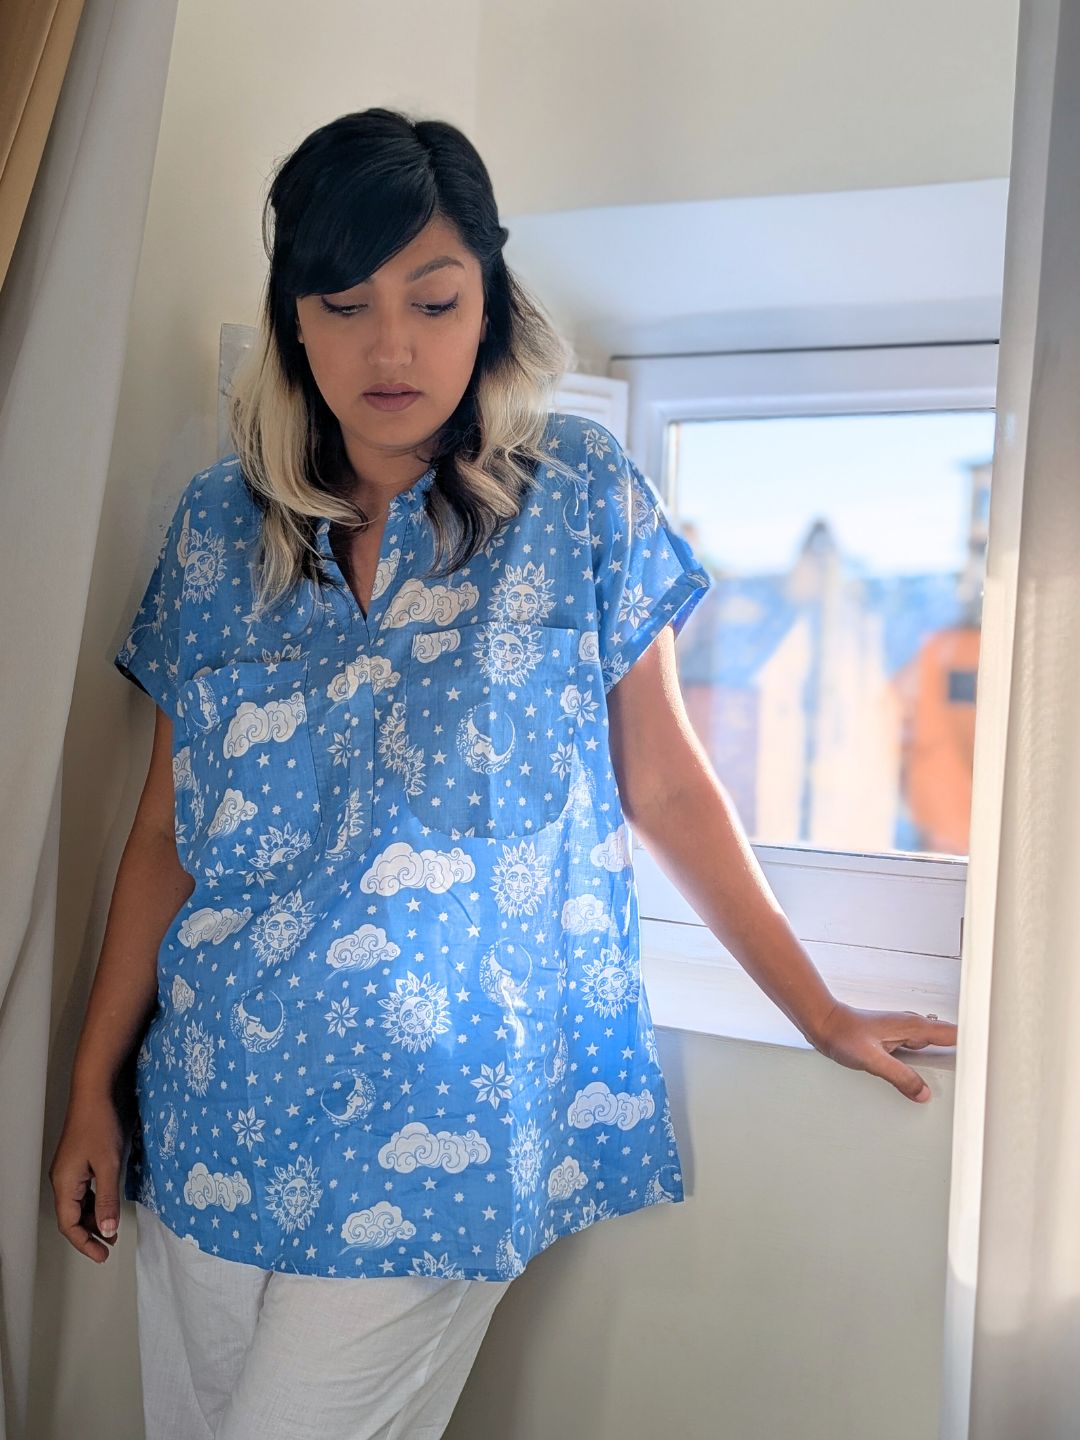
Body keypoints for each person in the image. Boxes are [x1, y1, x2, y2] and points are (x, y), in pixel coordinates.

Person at [48, 107, 958, 1439]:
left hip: (443, 1135)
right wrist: (91, 1088)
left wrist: (817, 1009)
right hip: (213, 1119)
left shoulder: (577, 495)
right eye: (345, 305)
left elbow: (666, 786)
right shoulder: (213, 530)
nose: (392, 348)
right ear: (294, 321)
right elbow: (164, 839)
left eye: (434, 300)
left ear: (489, 304)